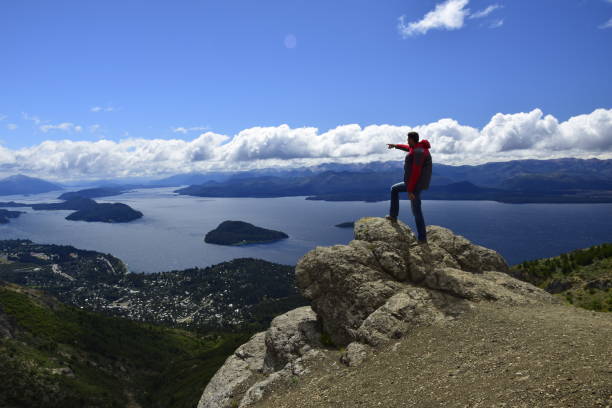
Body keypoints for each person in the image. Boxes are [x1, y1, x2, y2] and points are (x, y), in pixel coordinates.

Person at [386, 131, 432, 244]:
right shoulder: (416, 148)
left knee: (416, 211)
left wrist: (410, 190)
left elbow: (416, 172)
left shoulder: (419, 152)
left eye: (408, 139)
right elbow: (408, 148)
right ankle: (393, 216)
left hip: (415, 184)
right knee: (394, 189)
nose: (407, 141)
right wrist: (396, 146)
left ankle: (422, 239)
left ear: (412, 139)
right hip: (412, 183)